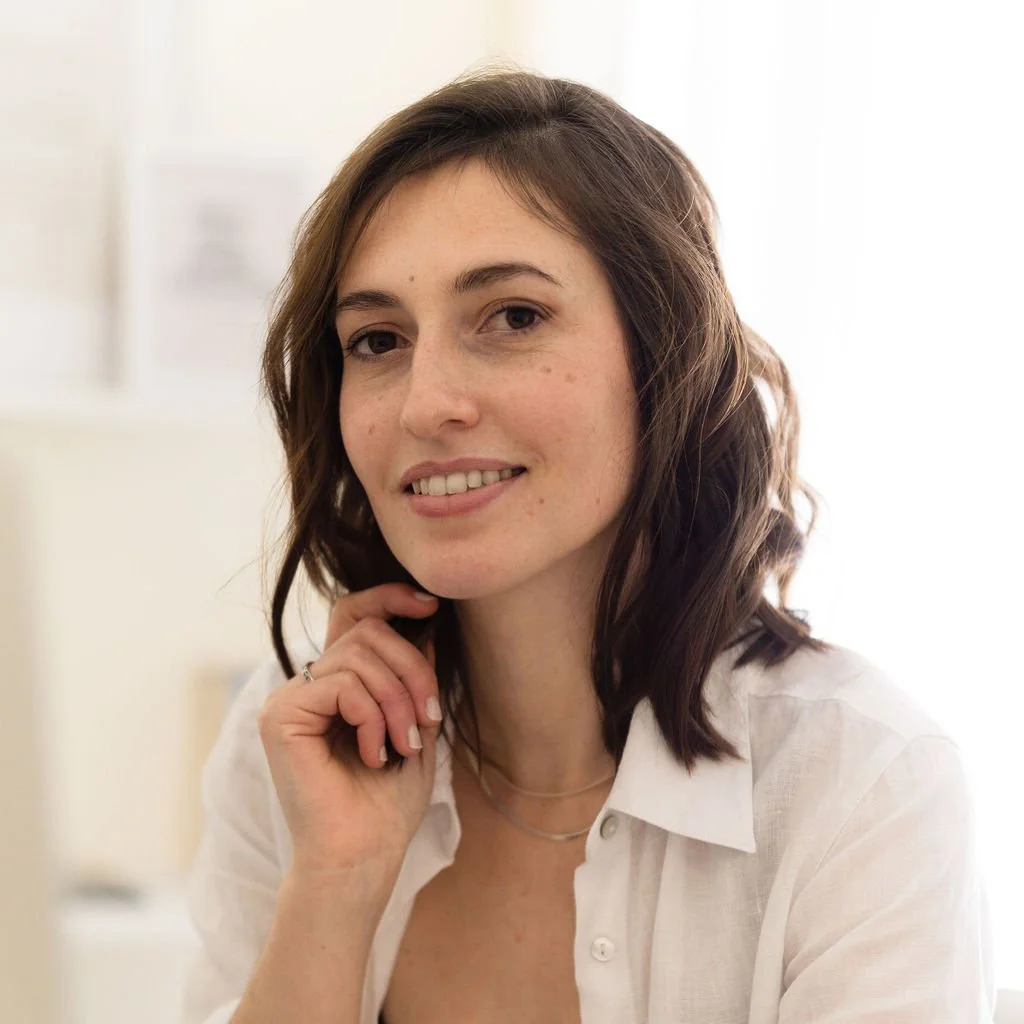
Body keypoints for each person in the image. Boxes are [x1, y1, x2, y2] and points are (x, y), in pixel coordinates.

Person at [181, 67, 997, 1024]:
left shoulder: (860, 783)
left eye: (514, 318)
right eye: (376, 341)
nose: (425, 403)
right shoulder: (293, 751)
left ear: (665, 359)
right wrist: (337, 884)